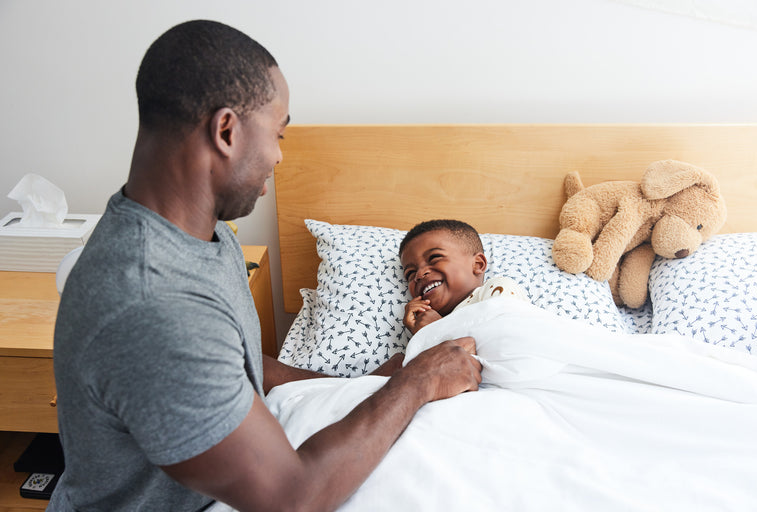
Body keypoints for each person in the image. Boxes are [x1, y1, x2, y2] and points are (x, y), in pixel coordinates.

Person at [48, 20, 482, 512]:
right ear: (226, 131)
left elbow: (244, 362)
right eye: (277, 135)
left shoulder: (198, 231)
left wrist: (359, 387)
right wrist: (418, 381)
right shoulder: (154, 303)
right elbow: (290, 498)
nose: (278, 156)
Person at [400, 219, 527, 334]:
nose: (419, 274)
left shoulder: (496, 288)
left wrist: (438, 329)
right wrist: (419, 333)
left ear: (477, 264)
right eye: (410, 273)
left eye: (435, 257)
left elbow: (505, 340)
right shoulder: (424, 324)